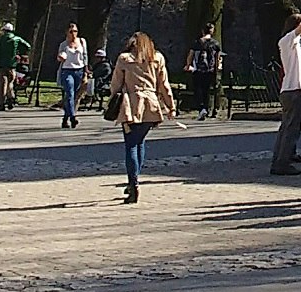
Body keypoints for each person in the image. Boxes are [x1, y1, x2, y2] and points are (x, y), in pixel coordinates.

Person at [107, 30, 176, 204]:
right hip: (151, 105)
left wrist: (112, 100)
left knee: (130, 144)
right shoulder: (157, 58)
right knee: (140, 142)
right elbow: (164, 85)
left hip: (131, 104)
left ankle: (133, 182)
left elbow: (115, 84)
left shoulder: (125, 59)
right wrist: (170, 106)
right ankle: (135, 178)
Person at [267, 8, 301, 175]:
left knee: (287, 128)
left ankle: (280, 160)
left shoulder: (296, 42)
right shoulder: (287, 40)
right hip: (293, 89)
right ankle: (282, 162)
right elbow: (300, 30)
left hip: (295, 89)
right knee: (291, 129)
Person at [55, 24, 91, 128]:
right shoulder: (63, 44)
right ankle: (73, 117)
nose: (73, 34)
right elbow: (59, 56)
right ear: (67, 33)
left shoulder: (82, 42)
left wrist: (85, 71)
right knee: (70, 93)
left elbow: (85, 56)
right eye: (71, 32)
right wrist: (60, 57)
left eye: (75, 31)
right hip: (67, 71)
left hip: (79, 71)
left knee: (73, 96)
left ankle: (65, 118)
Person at [0, 24, 28, 110]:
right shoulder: (17, 39)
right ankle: (11, 99)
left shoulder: (0, 40)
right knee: (10, 83)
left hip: (2, 65)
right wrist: (18, 54)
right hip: (12, 65)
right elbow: (27, 46)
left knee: (3, 84)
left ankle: (1, 104)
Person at [186, 29, 222, 119]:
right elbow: (217, 58)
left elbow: (191, 55)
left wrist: (188, 65)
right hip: (210, 70)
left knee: (198, 89)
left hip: (197, 70)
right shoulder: (215, 44)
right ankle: (209, 109)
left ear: (202, 31)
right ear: (212, 32)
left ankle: (202, 108)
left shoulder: (197, 43)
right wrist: (217, 69)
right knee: (207, 90)